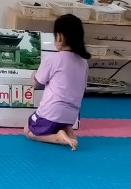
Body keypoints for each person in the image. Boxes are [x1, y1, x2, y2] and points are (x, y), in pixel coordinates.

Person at [26, 14, 89, 150]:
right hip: (71, 117)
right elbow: (83, 86)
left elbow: (36, 84)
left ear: (59, 37)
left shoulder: (52, 59)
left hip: (50, 114)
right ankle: (67, 130)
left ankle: (57, 138)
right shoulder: (83, 63)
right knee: (60, 120)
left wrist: (33, 74)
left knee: (28, 130)